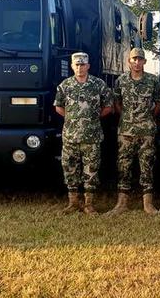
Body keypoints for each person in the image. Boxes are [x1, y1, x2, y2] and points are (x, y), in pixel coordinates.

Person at [54, 52, 113, 215]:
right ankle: (73, 203)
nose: (80, 67)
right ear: (72, 66)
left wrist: (91, 118)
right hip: (71, 136)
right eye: (77, 65)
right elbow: (58, 107)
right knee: (70, 168)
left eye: (83, 65)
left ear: (88, 66)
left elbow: (108, 106)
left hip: (91, 136)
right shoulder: (65, 85)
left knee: (91, 170)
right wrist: (74, 118)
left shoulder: (98, 84)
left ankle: (89, 204)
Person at [107, 47, 160, 216]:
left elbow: (158, 103)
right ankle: (122, 203)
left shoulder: (153, 81)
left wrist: (148, 118)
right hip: (126, 131)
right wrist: (127, 117)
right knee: (124, 165)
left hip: (146, 131)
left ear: (145, 61)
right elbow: (117, 103)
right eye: (134, 59)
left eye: (140, 59)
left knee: (147, 165)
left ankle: (148, 204)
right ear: (129, 62)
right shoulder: (121, 81)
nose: (137, 62)